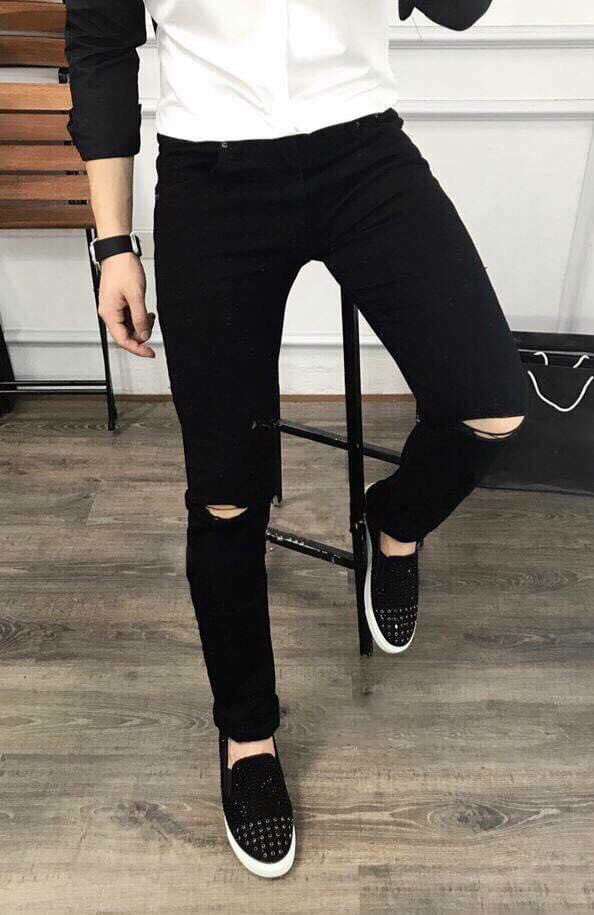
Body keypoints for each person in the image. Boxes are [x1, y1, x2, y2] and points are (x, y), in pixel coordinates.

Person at [64, 0, 528, 878]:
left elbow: (462, 10)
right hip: (211, 168)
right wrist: (113, 242)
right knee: (226, 493)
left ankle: (392, 523)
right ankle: (247, 733)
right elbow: (100, 44)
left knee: (490, 406)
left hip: (360, 145)